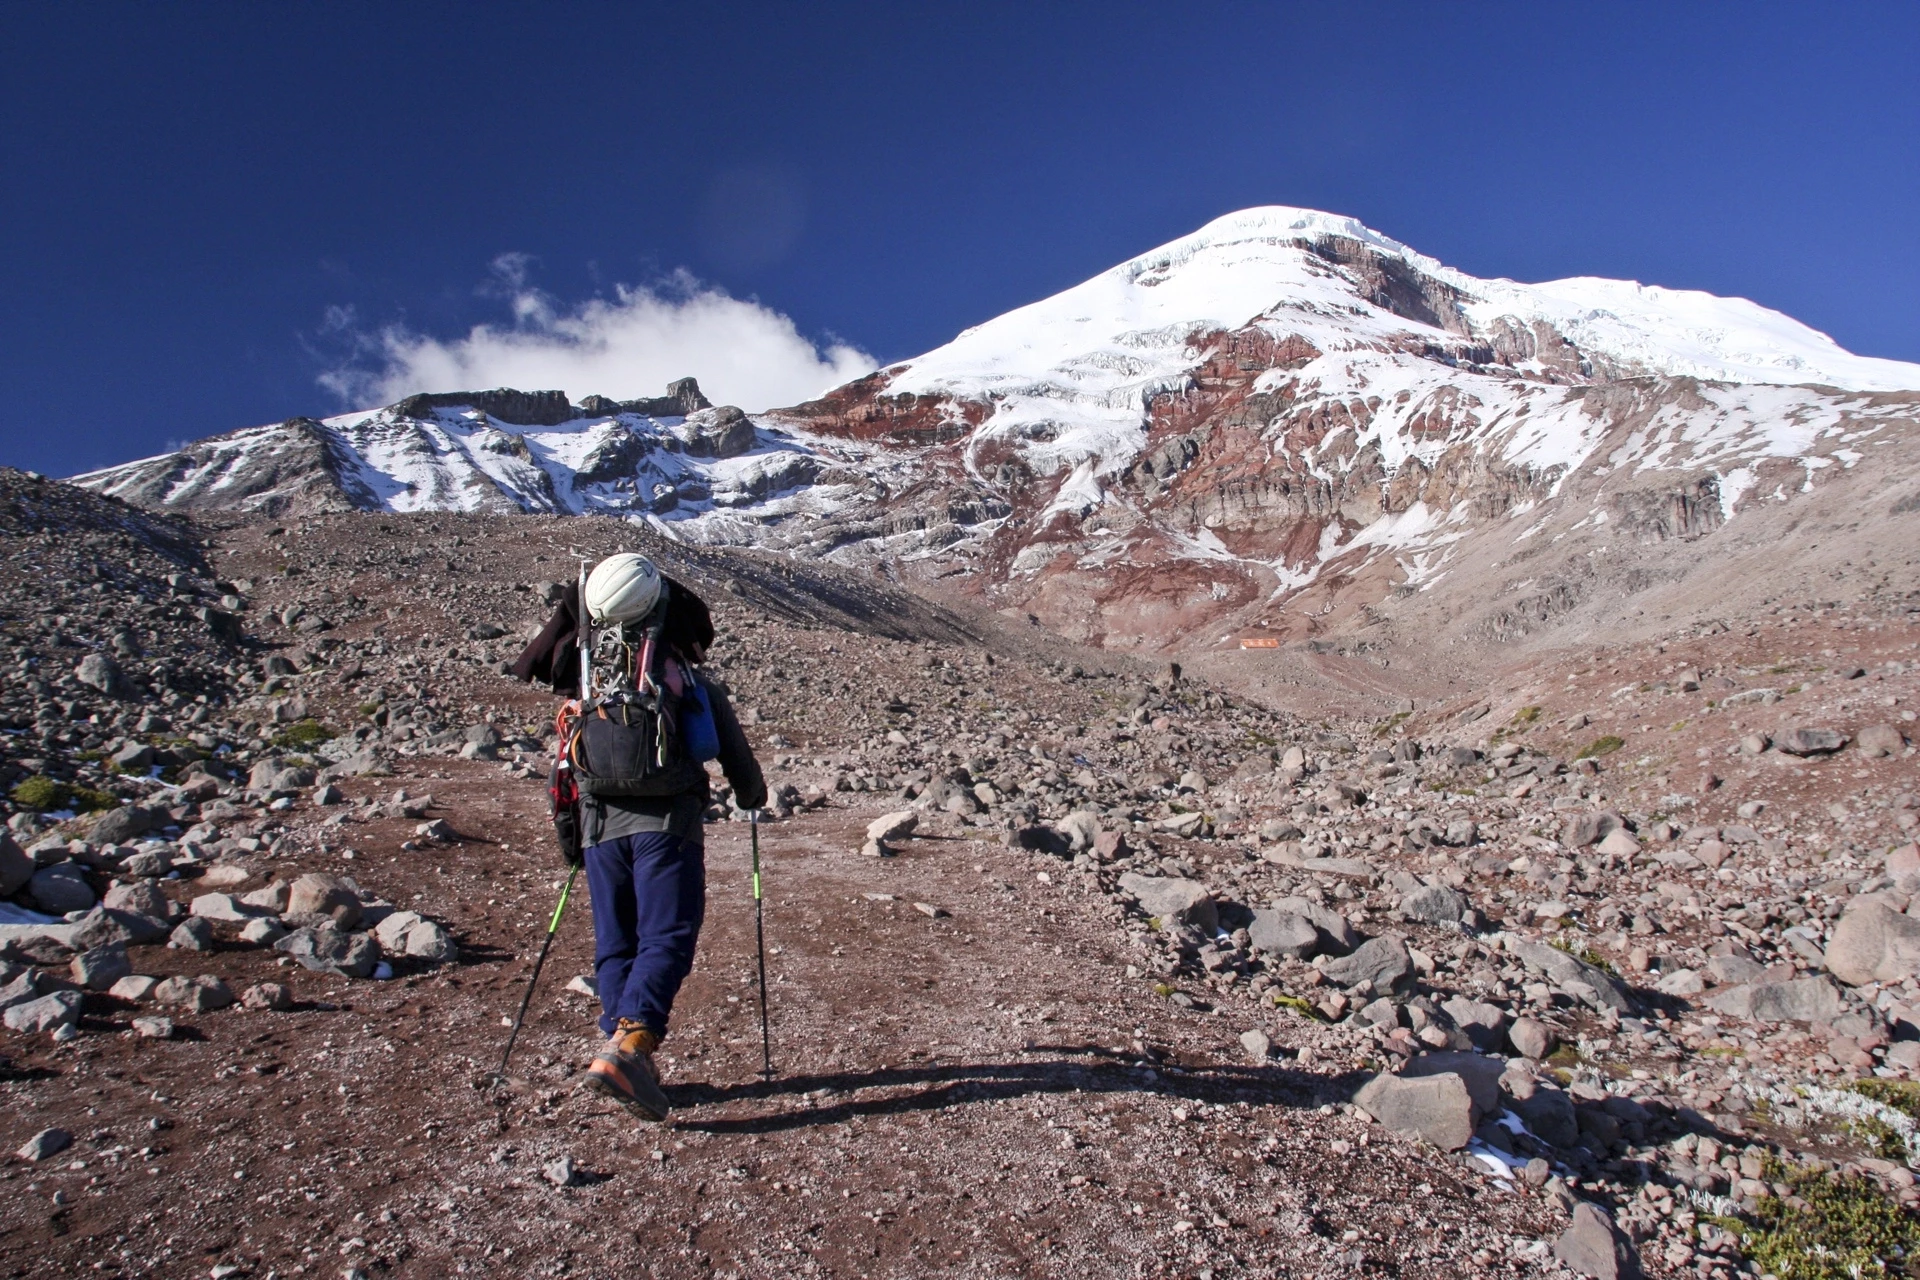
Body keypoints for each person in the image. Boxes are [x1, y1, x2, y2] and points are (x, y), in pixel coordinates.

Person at [544, 555, 766, 1123]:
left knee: (616, 942)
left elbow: (567, 760)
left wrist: (572, 833)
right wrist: (751, 795)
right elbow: (734, 752)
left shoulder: (587, 677)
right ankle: (631, 1047)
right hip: (666, 826)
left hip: (598, 829)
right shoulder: (683, 678)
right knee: (667, 934)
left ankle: (620, 1048)